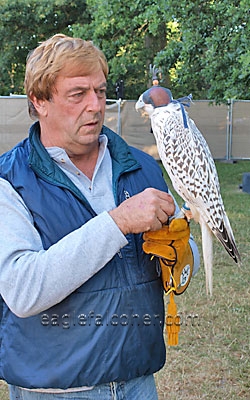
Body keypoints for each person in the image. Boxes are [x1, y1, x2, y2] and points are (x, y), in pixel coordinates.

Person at [0, 34, 199, 400]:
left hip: (138, 381)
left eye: (100, 91)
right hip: (54, 390)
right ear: (39, 101)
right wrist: (118, 222)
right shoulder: (10, 180)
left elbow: (182, 261)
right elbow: (22, 289)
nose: (95, 106)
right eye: (78, 94)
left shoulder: (141, 166)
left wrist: (181, 252)